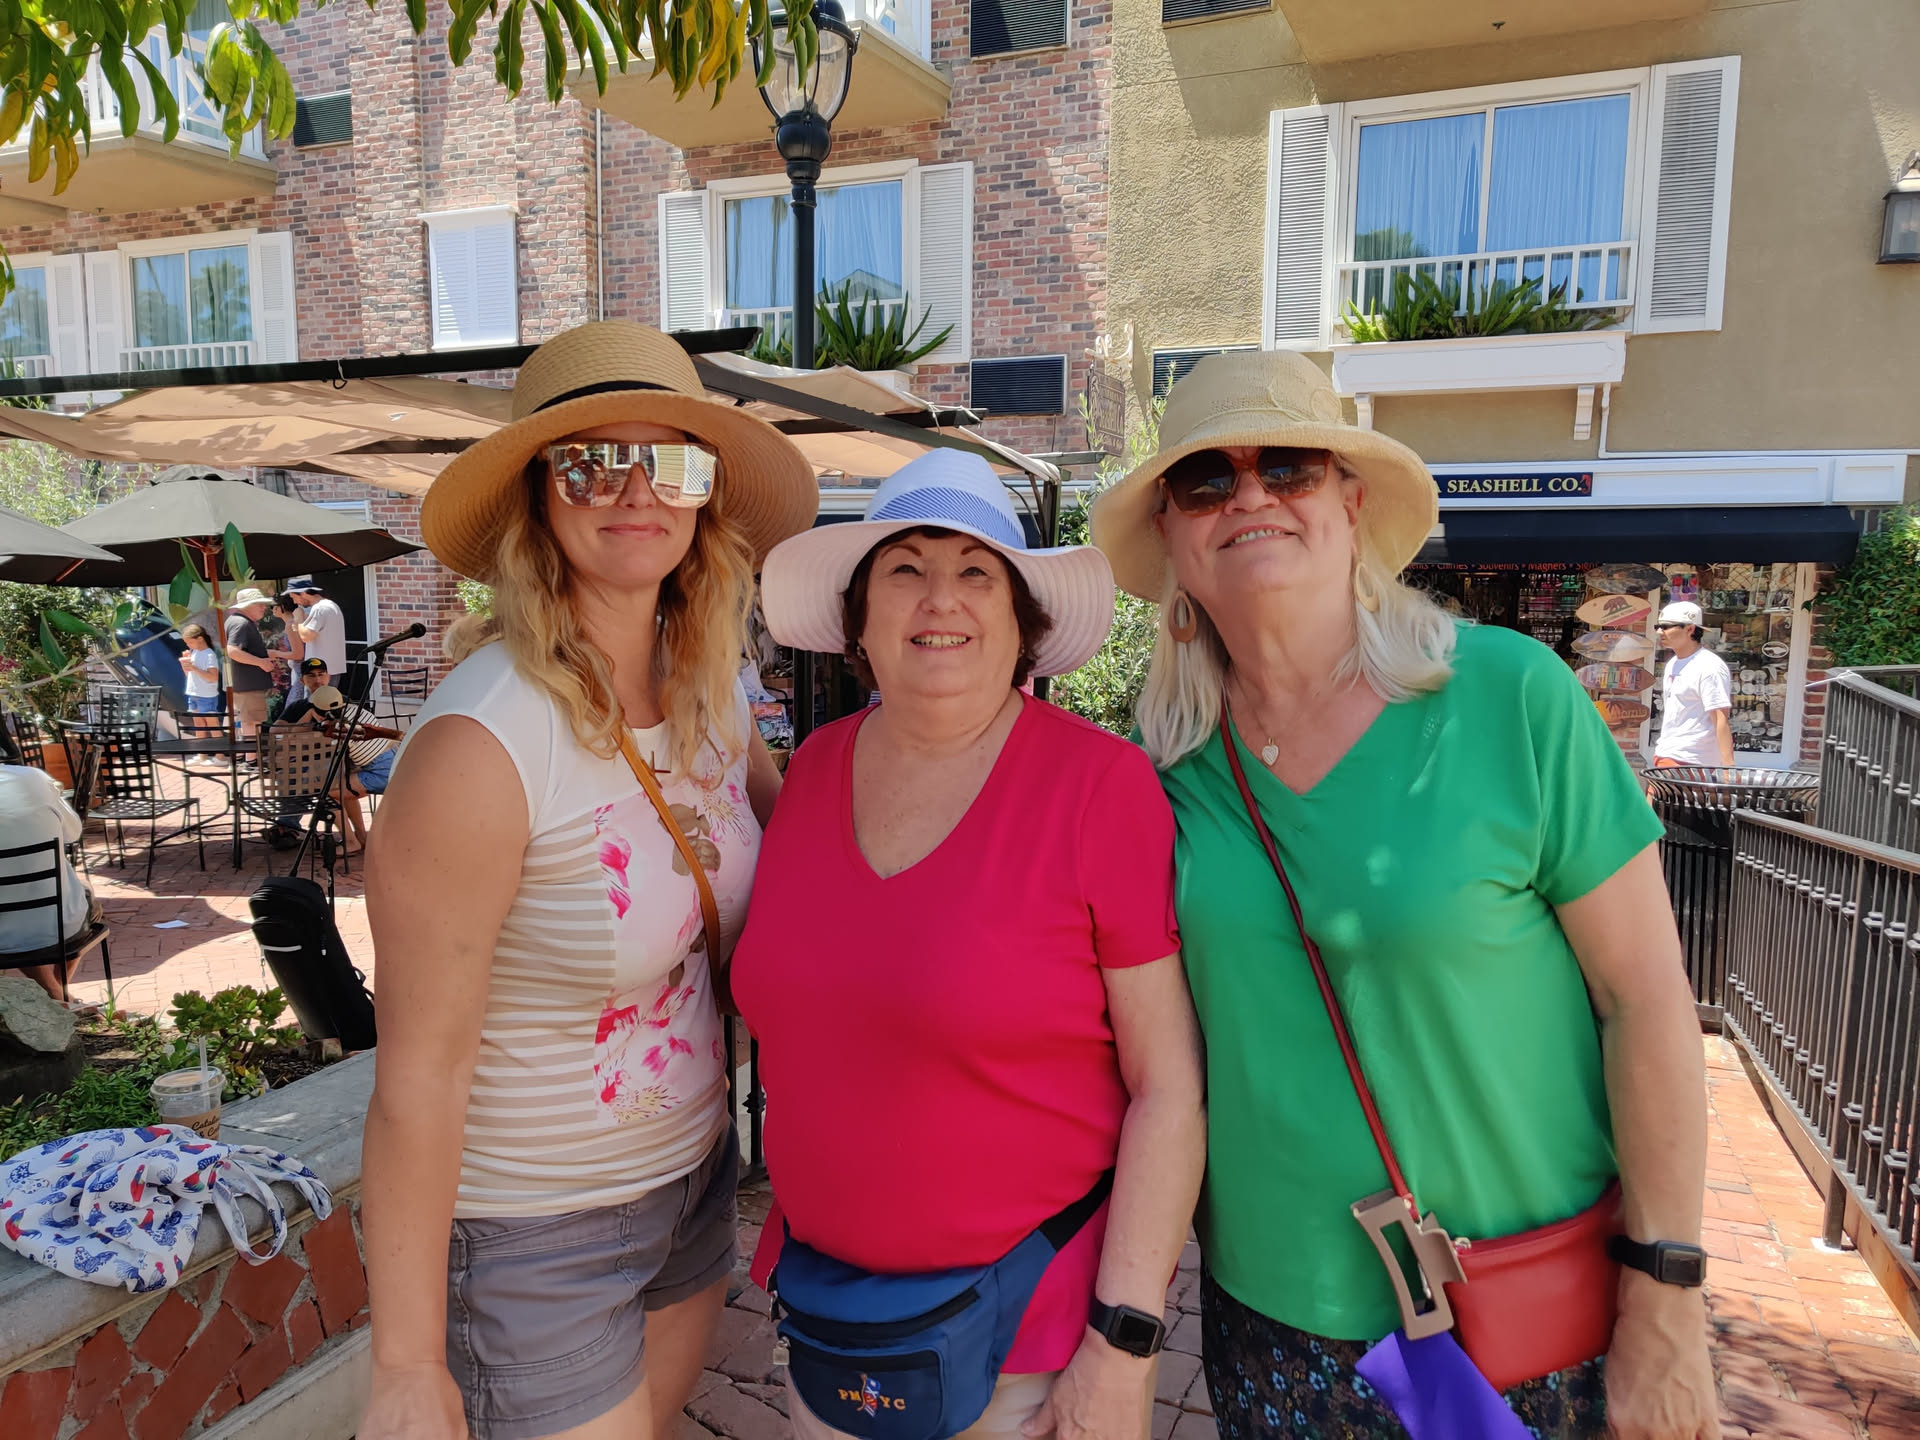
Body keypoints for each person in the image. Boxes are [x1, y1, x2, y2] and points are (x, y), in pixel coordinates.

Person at [1088, 351, 1718, 1440]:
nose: (1250, 495)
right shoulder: (1161, 780)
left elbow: (1647, 1002)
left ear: (1349, 502)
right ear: (1174, 539)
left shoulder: (1511, 699)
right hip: (1270, 1326)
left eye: (1289, 465)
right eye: (1206, 480)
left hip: (1521, 1313)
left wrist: (1666, 1294)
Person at [357, 320, 817, 1440]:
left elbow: (810, 853)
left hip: (694, 1178)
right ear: (535, 497)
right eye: (592, 463)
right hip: (535, 1229)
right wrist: (407, 1364)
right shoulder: (483, 743)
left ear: (707, 498)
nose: (636, 490)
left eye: (674, 464)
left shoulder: (710, 687)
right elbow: (417, 1073)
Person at [733, 451, 1207, 1440]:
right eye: (904, 568)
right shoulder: (810, 773)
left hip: (1029, 1347)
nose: (939, 596)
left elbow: (1167, 1086)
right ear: (860, 621)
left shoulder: (1098, 787)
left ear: (1023, 622)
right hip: (832, 1330)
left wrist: (1123, 1343)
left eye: (976, 571)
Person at [0, 763, 100, 1003]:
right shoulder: (32, 778)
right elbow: (73, 833)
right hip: (56, 924)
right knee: (81, 900)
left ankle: (55, 996)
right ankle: (57, 996)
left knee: (17, 916)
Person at [1652, 602, 1735, 769]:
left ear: (1690, 629)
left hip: (1693, 761)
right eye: (1658, 626)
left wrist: (1729, 768)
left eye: (1666, 626)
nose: (1659, 632)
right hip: (1666, 753)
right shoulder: (1673, 663)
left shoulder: (1709, 666)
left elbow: (1720, 718)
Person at [223, 589, 277, 739]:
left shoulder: (235, 621)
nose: (264, 607)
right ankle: (251, 754)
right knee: (251, 723)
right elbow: (233, 651)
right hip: (248, 687)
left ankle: (246, 752)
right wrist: (261, 662)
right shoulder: (242, 623)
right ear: (247, 605)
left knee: (243, 723)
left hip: (241, 685)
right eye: (259, 604)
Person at [288, 578, 348, 688]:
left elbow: (306, 636)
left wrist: (299, 619)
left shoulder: (320, 608)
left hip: (318, 673)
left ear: (303, 593)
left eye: (294, 597)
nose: (295, 602)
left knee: (315, 699)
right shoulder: (331, 606)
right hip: (329, 670)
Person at [274, 592, 309, 708]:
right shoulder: (294, 623)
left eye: (274, 606)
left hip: (300, 674)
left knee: (293, 710)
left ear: (282, 607)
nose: (272, 609)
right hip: (299, 673)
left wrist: (275, 653)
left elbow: (299, 654)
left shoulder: (291, 625)